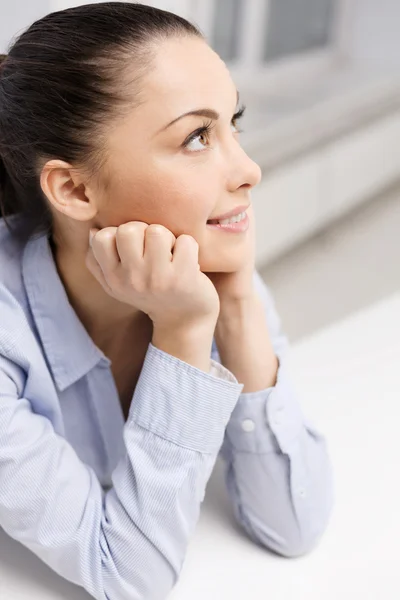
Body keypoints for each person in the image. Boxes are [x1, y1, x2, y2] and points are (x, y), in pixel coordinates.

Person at [0, 3, 334, 599]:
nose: (249, 169)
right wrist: (181, 334)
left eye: (235, 123)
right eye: (197, 136)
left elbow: (292, 524)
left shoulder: (200, 272)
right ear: (75, 189)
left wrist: (235, 305)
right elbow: (128, 577)